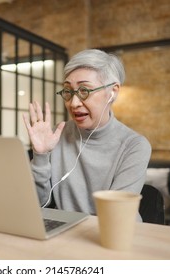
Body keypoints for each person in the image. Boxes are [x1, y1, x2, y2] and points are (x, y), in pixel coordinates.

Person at [22, 49, 151, 220]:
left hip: (113, 235)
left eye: (84, 91)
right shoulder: (56, 136)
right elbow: (39, 204)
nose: (74, 104)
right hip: (67, 233)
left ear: (112, 92)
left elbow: (114, 215)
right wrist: (40, 156)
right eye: (68, 92)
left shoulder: (134, 146)